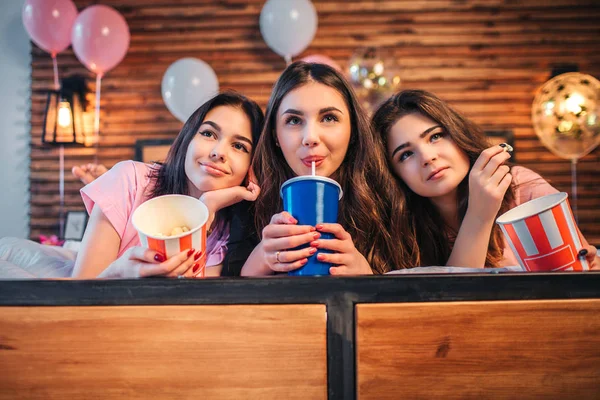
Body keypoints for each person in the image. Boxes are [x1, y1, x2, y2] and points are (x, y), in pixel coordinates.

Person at [371, 89, 599, 269]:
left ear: (458, 134)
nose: (428, 157)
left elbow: (574, 277)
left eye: (436, 136)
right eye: (406, 154)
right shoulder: (398, 228)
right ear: (394, 174)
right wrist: (480, 214)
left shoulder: (521, 187)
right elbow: (451, 305)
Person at [71, 91, 264, 279]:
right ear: (188, 139)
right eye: (208, 133)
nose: (218, 152)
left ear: (251, 166)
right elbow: (77, 297)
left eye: (239, 146)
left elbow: (194, 303)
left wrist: (204, 208)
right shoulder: (129, 180)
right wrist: (118, 273)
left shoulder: (234, 237)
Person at [241, 61, 405, 276]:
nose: (310, 137)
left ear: (353, 130)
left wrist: (367, 277)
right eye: (293, 120)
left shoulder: (391, 201)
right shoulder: (249, 206)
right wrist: (261, 259)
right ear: (275, 135)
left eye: (329, 118)